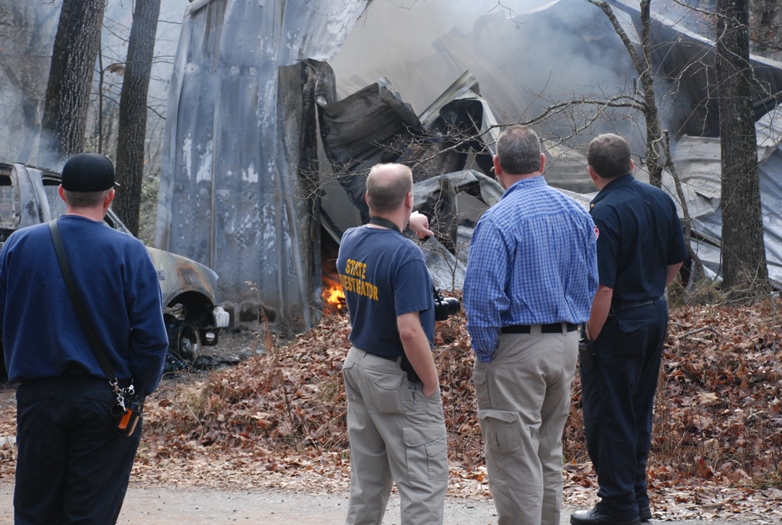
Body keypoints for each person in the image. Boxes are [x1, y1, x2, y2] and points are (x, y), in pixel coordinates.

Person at [0, 152, 169, 525]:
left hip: (38, 397)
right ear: (109, 198)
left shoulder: (17, 246)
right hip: (105, 401)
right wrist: (137, 392)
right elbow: (152, 340)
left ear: (61, 193)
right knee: (90, 512)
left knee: (35, 510)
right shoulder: (130, 252)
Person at [463, 125, 599, 525]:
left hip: (516, 349)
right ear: (542, 162)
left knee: (514, 458)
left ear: (495, 167)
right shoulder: (577, 212)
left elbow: (482, 298)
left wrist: (488, 353)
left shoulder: (498, 220)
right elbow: (591, 280)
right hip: (565, 343)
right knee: (546, 452)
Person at [570, 134, 688, 525]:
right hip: (654, 313)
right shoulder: (659, 199)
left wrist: (591, 334)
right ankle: (637, 499)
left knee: (610, 413)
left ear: (591, 172)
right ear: (632, 163)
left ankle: (617, 504)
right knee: (638, 410)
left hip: (618, 320)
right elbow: (675, 263)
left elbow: (603, 287)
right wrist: (649, 291)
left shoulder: (602, 214)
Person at [338, 163, 448, 525]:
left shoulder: (351, 240)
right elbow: (410, 331)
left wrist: (407, 220)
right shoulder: (406, 256)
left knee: (367, 482)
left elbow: (378, 232)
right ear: (408, 198)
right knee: (422, 483)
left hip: (359, 363)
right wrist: (430, 383)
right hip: (396, 376)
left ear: (368, 198)